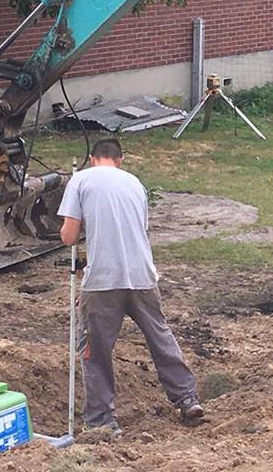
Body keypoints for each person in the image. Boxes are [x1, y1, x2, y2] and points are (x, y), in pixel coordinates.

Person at [58, 138, 203, 436]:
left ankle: (102, 421)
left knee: (96, 351)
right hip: (142, 276)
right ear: (120, 160)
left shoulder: (80, 180)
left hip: (103, 281)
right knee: (160, 336)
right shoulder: (136, 184)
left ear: (92, 158)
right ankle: (187, 398)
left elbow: (69, 237)